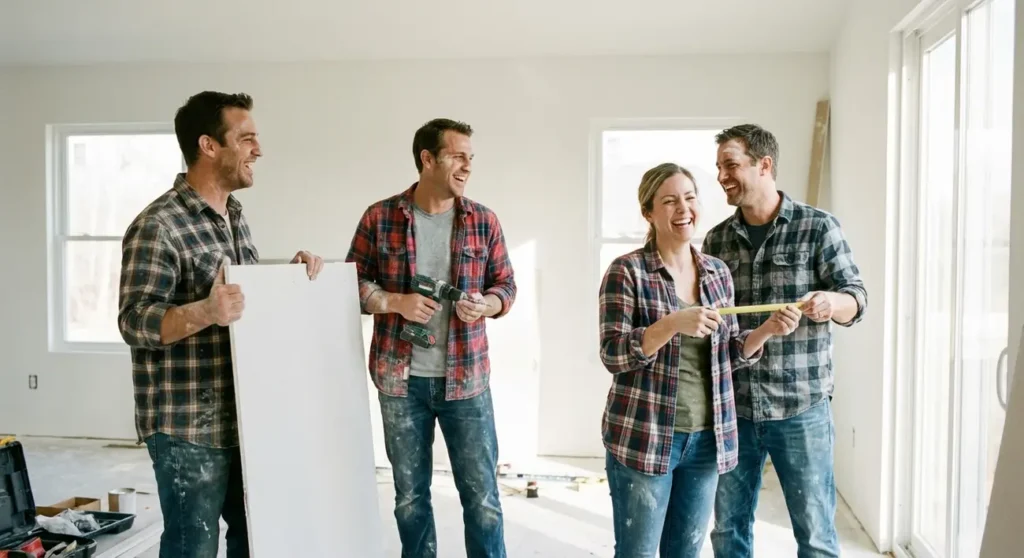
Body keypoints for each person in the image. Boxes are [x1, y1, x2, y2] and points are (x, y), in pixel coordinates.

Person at [117, 91, 323, 558]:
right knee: (194, 548)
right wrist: (204, 311)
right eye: (247, 138)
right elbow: (133, 320)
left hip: (244, 417)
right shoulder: (158, 225)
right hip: (187, 426)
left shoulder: (234, 217)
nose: (259, 150)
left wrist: (289, 281)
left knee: (257, 538)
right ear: (209, 145)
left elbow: (240, 302)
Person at [598, 162, 803, 558]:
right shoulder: (627, 272)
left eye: (690, 198)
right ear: (649, 213)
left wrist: (766, 331)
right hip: (645, 435)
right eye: (670, 201)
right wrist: (672, 324)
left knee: (686, 552)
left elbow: (728, 352)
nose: (683, 209)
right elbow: (613, 353)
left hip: (707, 439)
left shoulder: (716, 273)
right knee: (637, 552)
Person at [345, 118, 516, 558]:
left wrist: (487, 305)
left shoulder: (483, 220)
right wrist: (394, 302)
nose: (467, 166)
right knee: (410, 499)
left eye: (470, 158)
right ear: (427, 159)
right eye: (458, 156)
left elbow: (506, 287)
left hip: (467, 383)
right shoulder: (380, 217)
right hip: (401, 383)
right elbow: (352, 285)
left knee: (483, 502)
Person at [702, 124, 868, 558]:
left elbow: (857, 298)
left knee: (814, 534)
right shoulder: (716, 240)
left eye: (731, 165)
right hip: (734, 407)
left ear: (764, 164)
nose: (722, 176)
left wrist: (830, 302)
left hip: (801, 407)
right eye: (719, 167)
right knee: (728, 530)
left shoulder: (817, 227)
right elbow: (715, 325)